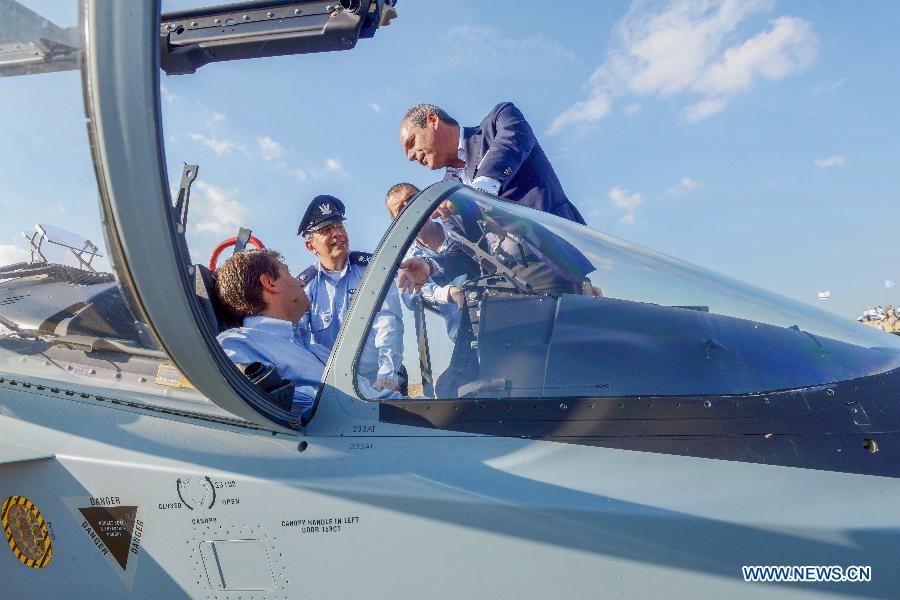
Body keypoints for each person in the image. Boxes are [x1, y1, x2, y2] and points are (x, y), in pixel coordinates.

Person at [214, 249, 399, 419]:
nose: (301, 282)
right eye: (289, 274)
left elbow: (367, 393)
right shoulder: (235, 344)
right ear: (269, 283)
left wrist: (417, 406)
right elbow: (284, 405)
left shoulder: (316, 350)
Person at [399, 102, 586, 225]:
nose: (410, 157)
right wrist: (430, 266)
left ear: (433, 121)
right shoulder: (447, 191)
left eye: (412, 142)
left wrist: (478, 190)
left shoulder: (499, 119)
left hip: (568, 254)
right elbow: (462, 250)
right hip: (519, 281)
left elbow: (512, 139)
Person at [296, 194, 405, 392]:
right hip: (333, 386)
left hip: (380, 377)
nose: (338, 233)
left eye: (340, 226)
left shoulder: (373, 269)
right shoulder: (304, 287)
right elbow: (299, 342)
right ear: (311, 246)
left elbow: (389, 322)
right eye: (327, 229)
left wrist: (387, 376)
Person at [385, 182, 464, 340]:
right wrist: (449, 292)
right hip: (465, 337)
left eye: (413, 199)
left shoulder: (458, 223)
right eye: (401, 209)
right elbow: (411, 296)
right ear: (396, 223)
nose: (411, 207)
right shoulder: (406, 260)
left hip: (505, 312)